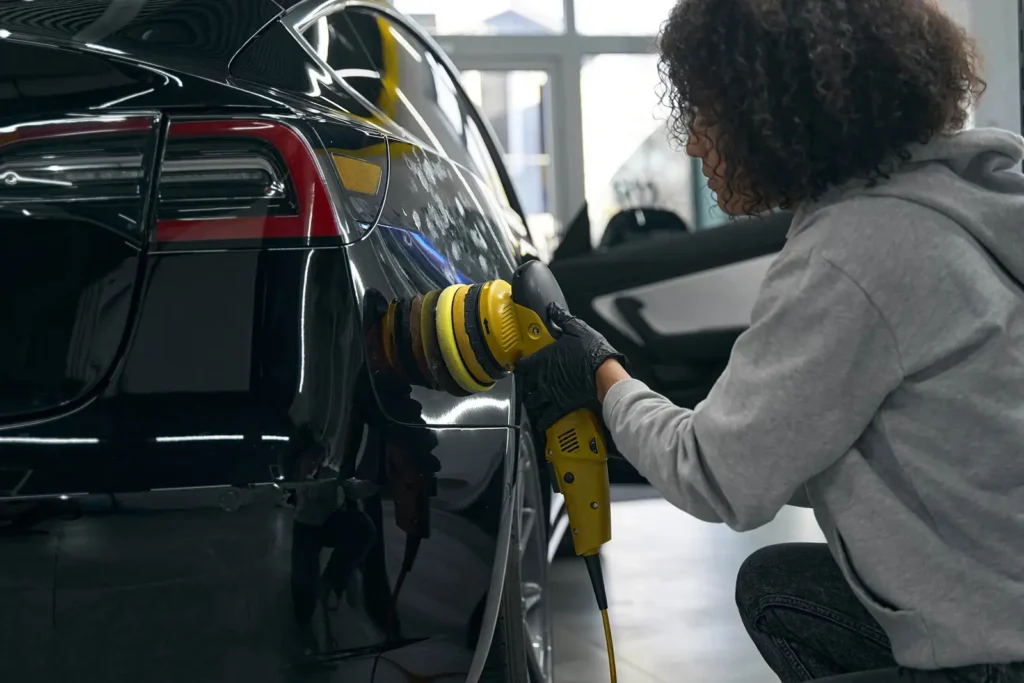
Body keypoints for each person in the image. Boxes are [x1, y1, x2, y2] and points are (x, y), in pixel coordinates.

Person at [518, 0, 1024, 681]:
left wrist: (600, 373)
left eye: (704, 112)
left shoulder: (857, 249)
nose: (693, 142)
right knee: (779, 586)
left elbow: (715, 476)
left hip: (998, 652)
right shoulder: (951, 203)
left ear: (775, 110)